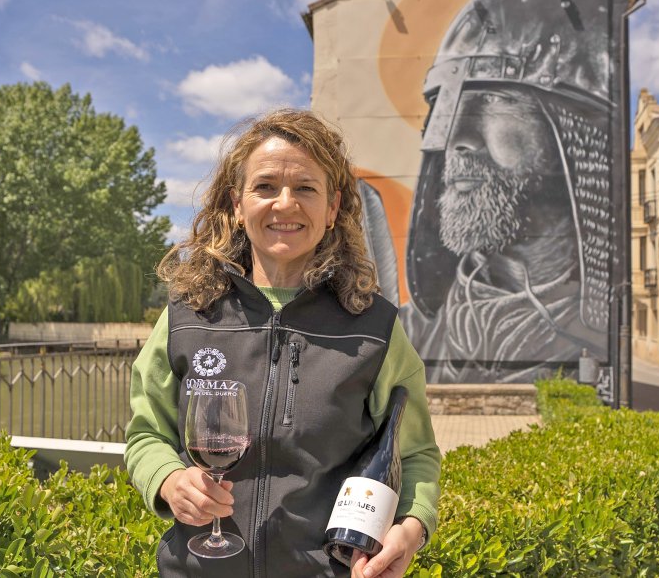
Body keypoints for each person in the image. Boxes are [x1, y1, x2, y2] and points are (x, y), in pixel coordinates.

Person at [125, 109, 441, 578]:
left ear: (333, 208)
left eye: (305, 188)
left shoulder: (374, 328)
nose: (285, 203)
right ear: (237, 205)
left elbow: (414, 454)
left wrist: (412, 528)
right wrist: (168, 480)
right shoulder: (187, 317)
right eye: (266, 186)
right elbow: (146, 434)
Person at [400, 0, 622, 384]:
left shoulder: (595, 335)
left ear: (569, 134)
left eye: (495, 99)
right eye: (446, 106)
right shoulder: (407, 333)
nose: (455, 139)